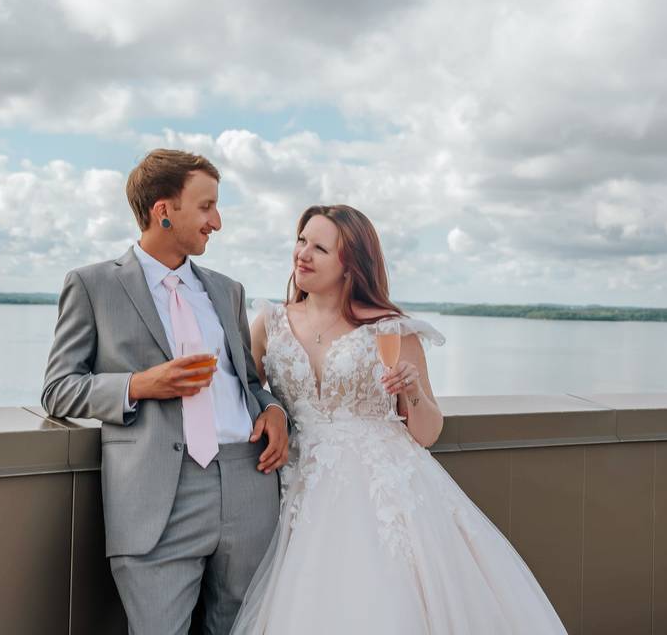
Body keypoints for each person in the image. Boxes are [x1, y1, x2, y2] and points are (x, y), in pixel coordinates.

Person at [231, 205, 568, 634]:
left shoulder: (390, 330)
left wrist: (411, 390)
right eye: (301, 241)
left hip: (381, 492)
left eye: (319, 247)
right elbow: (247, 392)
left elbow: (426, 433)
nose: (303, 254)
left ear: (350, 263)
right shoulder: (269, 323)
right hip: (295, 488)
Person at [41, 149, 289, 634]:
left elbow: (248, 381)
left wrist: (273, 408)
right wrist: (141, 384)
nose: (216, 221)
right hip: (157, 495)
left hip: (248, 480)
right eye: (206, 207)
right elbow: (58, 389)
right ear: (163, 211)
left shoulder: (227, 290)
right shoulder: (91, 286)